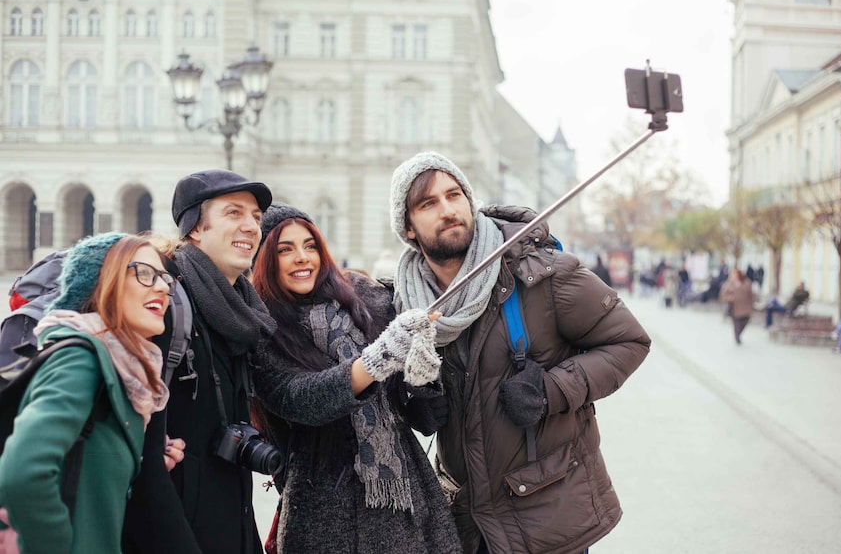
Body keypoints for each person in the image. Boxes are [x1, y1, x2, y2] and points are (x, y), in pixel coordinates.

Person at [388, 152, 652, 554]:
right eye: (428, 204)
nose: (448, 210)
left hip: (548, 515)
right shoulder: (407, 304)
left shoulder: (541, 274)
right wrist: (417, 402)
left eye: (454, 195)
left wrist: (552, 389)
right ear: (408, 227)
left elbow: (629, 341)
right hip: (469, 522)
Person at [249, 204, 461, 553]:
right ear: (263, 260)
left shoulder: (364, 298)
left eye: (310, 245)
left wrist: (420, 374)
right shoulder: (264, 327)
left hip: (406, 499)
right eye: (285, 250)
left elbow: (420, 417)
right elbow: (300, 399)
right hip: (320, 504)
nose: (302, 258)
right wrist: (377, 360)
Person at [122, 169, 277, 554]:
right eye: (234, 213)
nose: (251, 227)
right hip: (172, 529)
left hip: (231, 518)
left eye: (256, 218)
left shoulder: (242, 311)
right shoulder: (165, 301)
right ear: (195, 228)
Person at [0, 233, 172, 553]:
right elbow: (23, 472)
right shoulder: (82, 357)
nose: (162, 287)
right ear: (100, 282)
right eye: (144, 274)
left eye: (163, 277)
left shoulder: (119, 363)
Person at [719, 268, 755, 344]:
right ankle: (737, 337)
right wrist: (730, 298)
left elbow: (751, 295)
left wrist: (752, 304)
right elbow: (723, 294)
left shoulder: (746, 283)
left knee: (745, 321)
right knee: (736, 323)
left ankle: (738, 335)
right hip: (735, 307)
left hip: (745, 307)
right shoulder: (730, 283)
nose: (735, 276)